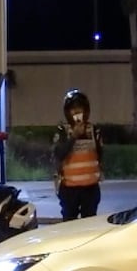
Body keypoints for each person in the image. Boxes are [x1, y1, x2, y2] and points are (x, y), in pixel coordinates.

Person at [52, 89, 104, 221]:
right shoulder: (62, 131)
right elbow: (59, 154)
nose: (76, 112)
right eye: (73, 109)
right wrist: (73, 136)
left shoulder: (94, 130)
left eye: (79, 108)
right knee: (69, 224)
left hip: (90, 188)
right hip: (70, 189)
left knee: (89, 224)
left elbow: (99, 154)